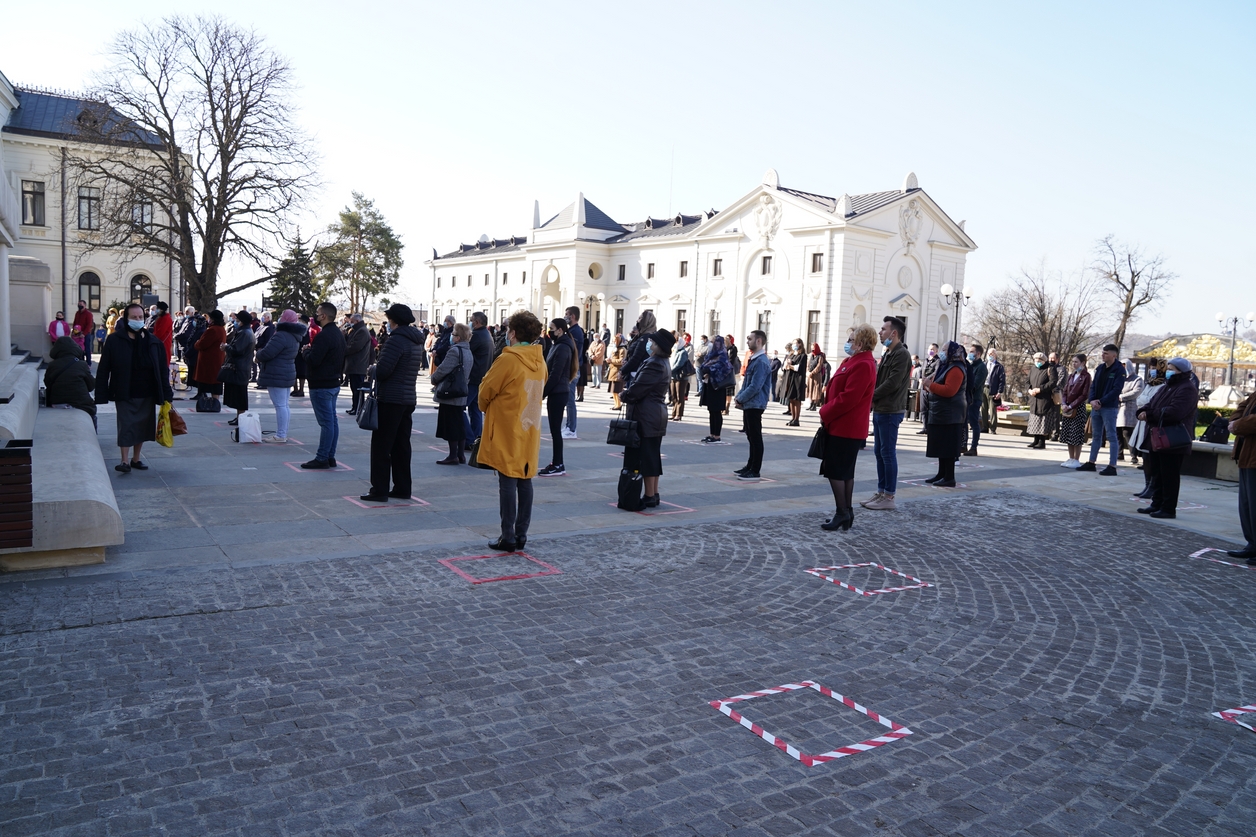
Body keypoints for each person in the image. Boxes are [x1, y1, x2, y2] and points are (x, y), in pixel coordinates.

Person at [478, 311, 547, 551]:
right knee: (525, 478)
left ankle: (507, 535)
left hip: (509, 424)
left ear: (514, 333)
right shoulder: (540, 361)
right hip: (531, 425)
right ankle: (521, 534)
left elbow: (486, 390)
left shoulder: (509, 359)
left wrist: (486, 406)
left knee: (507, 479)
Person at [94, 303, 174, 473]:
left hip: (147, 391)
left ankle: (136, 459)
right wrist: (101, 393)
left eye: (140, 317)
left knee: (143, 426)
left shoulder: (153, 342)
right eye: (134, 317)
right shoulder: (115, 340)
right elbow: (104, 367)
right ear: (126, 319)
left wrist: (167, 394)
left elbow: (162, 370)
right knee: (126, 424)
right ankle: (124, 461)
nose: (138, 320)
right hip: (124, 390)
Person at [360, 304, 423, 502]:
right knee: (401, 445)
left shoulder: (396, 340)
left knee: (381, 446)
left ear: (393, 320)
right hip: (407, 398)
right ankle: (402, 487)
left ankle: (379, 490)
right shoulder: (415, 340)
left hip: (391, 399)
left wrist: (372, 370)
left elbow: (384, 370)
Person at [818, 324, 877, 530]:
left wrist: (824, 412)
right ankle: (846, 512)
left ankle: (842, 512)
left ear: (861, 343)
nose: (848, 343)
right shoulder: (853, 360)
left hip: (847, 426)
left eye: (851, 340)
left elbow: (848, 398)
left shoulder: (863, 364)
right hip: (841, 425)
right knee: (844, 471)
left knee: (836, 471)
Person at [1136, 357, 1200, 519]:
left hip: (1172, 439)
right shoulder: (1166, 386)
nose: (1168, 371)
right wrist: (1142, 411)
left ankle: (1168, 508)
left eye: (1172, 368)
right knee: (1157, 473)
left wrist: (1148, 415)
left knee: (1169, 475)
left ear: (1181, 371)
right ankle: (1156, 503)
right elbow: (1152, 403)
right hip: (1157, 436)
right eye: (1168, 368)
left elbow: (1175, 412)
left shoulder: (1187, 389)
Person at [863, 316, 911, 511]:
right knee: (880, 452)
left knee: (888, 453)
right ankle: (881, 491)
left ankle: (889, 495)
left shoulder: (901, 354)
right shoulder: (889, 353)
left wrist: (870, 396)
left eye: (883, 329)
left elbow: (892, 383)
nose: (880, 333)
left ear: (894, 333)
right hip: (882, 409)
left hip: (891, 410)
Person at [621, 329, 673, 508]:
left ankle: (650, 495)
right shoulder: (661, 361)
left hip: (647, 415)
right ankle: (654, 493)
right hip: (653, 414)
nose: (649, 344)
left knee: (647, 456)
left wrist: (625, 395)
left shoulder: (655, 363)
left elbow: (639, 388)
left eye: (652, 342)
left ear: (659, 346)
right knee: (651, 455)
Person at [301, 302, 347, 469]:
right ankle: (329, 456)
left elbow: (314, 360)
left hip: (322, 384)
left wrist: (306, 351)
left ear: (324, 316)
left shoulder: (324, 335)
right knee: (332, 422)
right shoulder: (337, 333)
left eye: (318, 312)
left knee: (327, 423)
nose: (316, 315)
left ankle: (322, 458)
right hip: (332, 382)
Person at [922, 341, 970, 488]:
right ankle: (941, 473)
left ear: (952, 352)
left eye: (944, 350)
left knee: (948, 448)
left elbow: (950, 390)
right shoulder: (946, 366)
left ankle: (949, 477)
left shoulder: (956, 368)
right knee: (941, 446)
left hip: (950, 414)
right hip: (942, 412)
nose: (941, 353)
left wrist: (931, 385)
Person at [254, 309, 305, 443]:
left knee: (280, 405)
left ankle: (281, 435)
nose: (280, 318)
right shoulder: (294, 335)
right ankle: (282, 433)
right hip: (286, 372)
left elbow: (268, 352)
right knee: (284, 405)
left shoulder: (282, 335)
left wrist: (257, 356)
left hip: (277, 373)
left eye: (282, 316)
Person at [1077, 343, 1127, 475]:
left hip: (1109, 407)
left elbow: (1116, 390)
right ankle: (1091, 462)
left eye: (1106, 353)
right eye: (1102, 353)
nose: (1102, 355)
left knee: (1111, 436)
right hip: (1096, 406)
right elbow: (1093, 386)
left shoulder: (1119, 370)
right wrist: (1092, 400)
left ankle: (1112, 465)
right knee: (1096, 436)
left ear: (1114, 355)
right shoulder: (1100, 368)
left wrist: (1101, 401)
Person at [538, 319, 578, 477]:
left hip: (558, 392)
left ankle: (558, 464)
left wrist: (542, 394)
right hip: (557, 391)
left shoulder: (562, 347)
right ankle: (557, 462)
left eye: (552, 329)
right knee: (555, 430)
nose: (550, 331)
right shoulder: (560, 344)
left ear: (560, 330)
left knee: (555, 431)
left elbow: (556, 373)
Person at [431, 322, 472, 465]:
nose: (451, 336)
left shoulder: (455, 351)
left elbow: (443, 369)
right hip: (461, 391)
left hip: (450, 393)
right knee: (459, 423)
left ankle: (452, 455)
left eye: (453, 334)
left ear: (458, 338)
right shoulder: (467, 351)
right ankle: (460, 455)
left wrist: (433, 379)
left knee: (451, 425)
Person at [733, 330, 772, 480]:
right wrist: (740, 397)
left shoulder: (761, 361)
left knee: (755, 437)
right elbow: (747, 382)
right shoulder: (754, 359)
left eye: (750, 339)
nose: (747, 341)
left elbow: (755, 386)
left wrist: (740, 398)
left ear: (759, 341)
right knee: (751, 436)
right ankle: (750, 465)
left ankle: (755, 469)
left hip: (755, 404)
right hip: (749, 403)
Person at [1131, 360, 1168, 499]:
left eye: (1155, 368)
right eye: (1151, 368)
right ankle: (1147, 485)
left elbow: (1150, 401)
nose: (1152, 370)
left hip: (1151, 423)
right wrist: (1144, 400)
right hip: (1142, 422)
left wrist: (1144, 401)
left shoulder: (1163, 385)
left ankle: (1153, 486)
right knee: (1145, 458)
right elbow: (1140, 400)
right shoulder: (1150, 383)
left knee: (1150, 457)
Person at [1227, 391, 1256, 562]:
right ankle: (1252, 544)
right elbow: (1241, 408)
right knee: (1247, 504)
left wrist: (1238, 425)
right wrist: (1235, 422)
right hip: (1247, 455)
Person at [44, 336, 97, 431]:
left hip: (57, 401)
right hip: (81, 403)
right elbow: (91, 386)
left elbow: (47, 383)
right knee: (92, 413)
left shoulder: (52, 365)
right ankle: (93, 432)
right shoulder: (81, 364)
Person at [462, 312, 495, 446]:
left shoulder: (477, 336)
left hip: (474, 377)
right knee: (475, 409)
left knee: (459, 409)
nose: (470, 323)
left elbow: (466, 351)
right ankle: (476, 437)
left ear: (477, 322)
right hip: (481, 376)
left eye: (471, 321)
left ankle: (469, 439)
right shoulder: (487, 335)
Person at [221, 311, 256, 424]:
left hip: (240, 367)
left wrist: (226, 347)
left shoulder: (245, 333)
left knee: (240, 394)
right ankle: (239, 416)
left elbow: (237, 350)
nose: (235, 322)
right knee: (236, 394)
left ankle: (241, 417)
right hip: (240, 366)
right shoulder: (244, 331)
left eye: (237, 320)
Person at [1058, 353, 1092, 468]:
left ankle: (1076, 459)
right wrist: (1063, 403)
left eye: (1076, 362)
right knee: (1068, 434)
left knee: (1076, 434)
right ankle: (1071, 457)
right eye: (1072, 362)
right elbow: (1065, 391)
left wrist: (1071, 405)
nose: (1074, 364)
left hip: (1077, 408)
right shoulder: (1072, 375)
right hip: (1067, 406)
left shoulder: (1086, 376)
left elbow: (1084, 394)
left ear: (1083, 363)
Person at [698, 335, 733, 443]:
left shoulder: (722, 355)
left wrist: (710, 371)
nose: (713, 344)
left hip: (718, 387)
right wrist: (706, 370)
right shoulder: (711, 354)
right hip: (709, 386)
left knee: (717, 411)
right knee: (711, 411)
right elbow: (703, 365)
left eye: (714, 342)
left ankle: (717, 435)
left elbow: (725, 369)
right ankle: (711, 433)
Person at [192, 311, 227, 407]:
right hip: (217, 360)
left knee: (208, 383)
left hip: (209, 361)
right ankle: (215, 403)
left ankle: (207, 403)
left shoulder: (212, 330)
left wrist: (197, 342)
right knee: (215, 383)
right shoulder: (221, 329)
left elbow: (201, 344)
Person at [1117, 359, 1145, 466]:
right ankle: (1119, 454)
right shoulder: (1119, 378)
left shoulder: (1137, 379)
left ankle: (1133, 455)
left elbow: (1137, 391)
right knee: (1117, 431)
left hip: (1129, 408)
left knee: (1127, 432)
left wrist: (1121, 397)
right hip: (1118, 408)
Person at [343, 313, 372, 416]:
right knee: (354, 388)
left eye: (351, 321)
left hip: (358, 364)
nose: (350, 323)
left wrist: (343, 350)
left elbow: (355, 346)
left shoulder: (362, 331)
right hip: (354, 364)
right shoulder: (357, 330)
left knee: (357, 389)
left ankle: (358, 408)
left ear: (357, 321)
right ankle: (355, 407)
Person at [1025, 352, 1055, 449]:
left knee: (1042, 421)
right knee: (1035, 420)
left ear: (1044, 361)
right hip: (1034, 398)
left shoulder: (1050, 368)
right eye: (1035, 360)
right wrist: (1029, 390)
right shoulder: (1033, 369)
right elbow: (1027, 381)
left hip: (1044, 398)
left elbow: (1053, 382)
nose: (1037, 362)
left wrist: (1040, 389)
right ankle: (1035, 440)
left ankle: (1042, 442)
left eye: (1039, 360)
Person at [620, 311, 657, 388]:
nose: (637, 321)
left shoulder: (645, 338)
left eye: (640, 318)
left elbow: (636, 358)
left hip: (637, 374)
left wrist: (622, 370)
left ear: (646, 322)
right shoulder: (642, 336)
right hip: (640, 373)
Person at [964, 344, 988, 456]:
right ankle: (963, 445)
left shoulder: (981, 367)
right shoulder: (970, 365)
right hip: (966, 398)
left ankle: (974, 447)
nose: (970, 353)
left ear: (978, 354)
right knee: (965, 422)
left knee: (974, 423)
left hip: (974, 399)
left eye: (972, 351)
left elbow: (975, 384)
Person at [669, 333, 696, 421]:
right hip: (673, 376)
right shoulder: (674, 351)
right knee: (673, 396)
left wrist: (670, 370)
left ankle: (679, 414)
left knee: (679, 396)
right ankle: (674, 413)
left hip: (681, 377)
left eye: (676, 342)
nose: (675, 344)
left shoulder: (683, 352)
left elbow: (679, 364)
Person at [916, 343, 939, 434]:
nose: (931, 351)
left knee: (931, 408)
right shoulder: (925, 361)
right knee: (923, 408)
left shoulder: (938, 361)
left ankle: (930, 428)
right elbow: (921, 371)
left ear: (936, 351)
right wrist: (920, 379)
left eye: (933, 349)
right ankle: (925, 427)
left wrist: (927, 379)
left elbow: (936, 372)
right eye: (930, 349)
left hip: (931, 387)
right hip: (923, 387)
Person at [985, 349, 1005, 434]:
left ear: (995, 355)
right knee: (983, 408)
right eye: (989, 354)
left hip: (993, 389)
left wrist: (999, 392)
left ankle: (993, 428)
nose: (990, 355)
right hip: (984, 387)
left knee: (992, 409)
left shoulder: (999, 366)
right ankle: (984, 427)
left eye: (992, 354)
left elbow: (1002, 380)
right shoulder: (984, 364)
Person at [607, 335, 627, 411]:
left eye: (615, 341)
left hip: (617, 372)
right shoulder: (615, 348)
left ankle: (619, 404)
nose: (613, 342)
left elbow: (621, 361)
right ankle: (616, 404)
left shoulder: (622, 349)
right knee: (613, 391)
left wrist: (611, 360)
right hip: (612, 371)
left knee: (617, 390)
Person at [72, 300, 96, 365]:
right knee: (79, 348)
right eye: (79, 304)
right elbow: (75, 322)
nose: (80, 306)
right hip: (77, 333)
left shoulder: (88, 314)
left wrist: (84, 334)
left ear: (85, 305)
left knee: (87, 348)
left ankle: (88, 363)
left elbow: (89, 325)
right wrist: (74, 332)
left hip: (86, 333)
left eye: (81, 305)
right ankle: (81, 362)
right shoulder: (77, 313)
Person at [806, 343, 828, 410]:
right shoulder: (812, 356)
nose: (812, 349)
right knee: (810, 389)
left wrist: (812, 373)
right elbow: (808, 364)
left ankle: (814, 405)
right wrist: (808, 371)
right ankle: (811, 404)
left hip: (816, 376)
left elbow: (819, 366)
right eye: (811, 347)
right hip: (810, 376)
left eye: (813, 348)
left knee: (815, 390)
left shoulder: (820, 356)